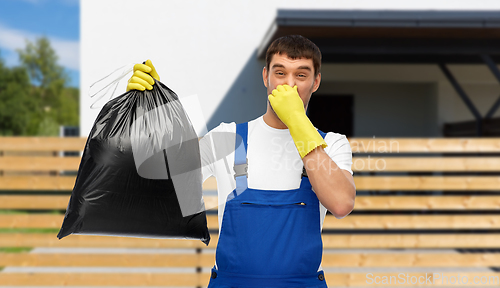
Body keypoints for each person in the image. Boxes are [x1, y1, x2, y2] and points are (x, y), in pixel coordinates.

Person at [127, 35, 356, 288]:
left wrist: (298, 122)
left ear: (316, 82)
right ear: (265, 77)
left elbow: (341, 203)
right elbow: (160, 184)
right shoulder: (227, 137)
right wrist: (148, 112)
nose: (290, 86)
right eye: (280, 73)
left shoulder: (332, 145)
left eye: (301, 76)